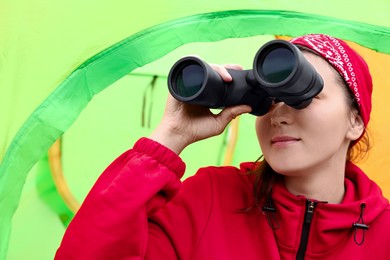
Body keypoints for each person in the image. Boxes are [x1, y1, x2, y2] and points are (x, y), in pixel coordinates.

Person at [55, 34, 390, 259]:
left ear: (355, 121)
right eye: (268, 99)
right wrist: (170, 137)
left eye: (303, 96)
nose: (279, 115)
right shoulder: (211, 198)